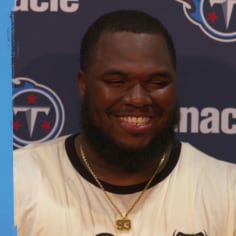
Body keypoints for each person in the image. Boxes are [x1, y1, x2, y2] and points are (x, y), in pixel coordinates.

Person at [14, 10, 236, 236]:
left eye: (157, 82)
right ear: (84, 84)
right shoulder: (15, 182)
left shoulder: (227, 190)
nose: (138, 98)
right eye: (116, 82)